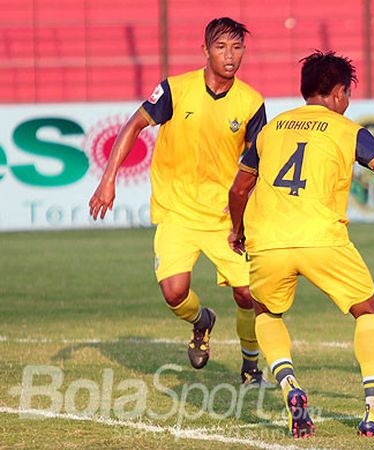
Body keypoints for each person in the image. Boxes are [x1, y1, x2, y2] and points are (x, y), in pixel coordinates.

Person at [228, 50, 374, 439]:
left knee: (267, 313)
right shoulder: (348, 129)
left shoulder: (271, 130)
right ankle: (373, 411)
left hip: (267, 241)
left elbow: (239, 188)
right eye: (347, 94)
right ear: (338, 92)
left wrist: (237, 229)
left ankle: (289, 386)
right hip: (322, 239)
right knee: (367, 311)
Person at [88, 17, 267, 384]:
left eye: (237, 48)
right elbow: (134, 125)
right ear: (205, 51)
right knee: (174, 293)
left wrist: (252, 214)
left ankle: (251, 368)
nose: (230, 56)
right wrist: (108, 179)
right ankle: (201, 320)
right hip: (177, 213)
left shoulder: (252, 102)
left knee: (248, 293)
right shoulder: (175, 89)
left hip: (223, 218)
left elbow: (254, 165)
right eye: (221, 47)